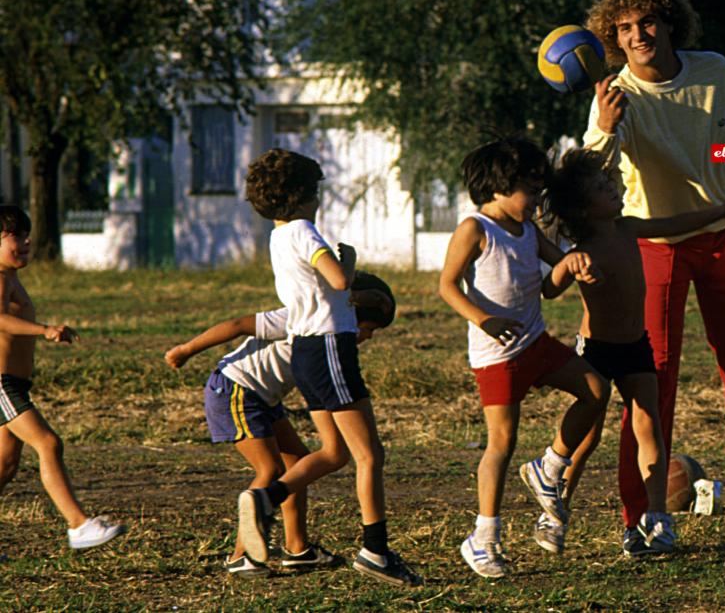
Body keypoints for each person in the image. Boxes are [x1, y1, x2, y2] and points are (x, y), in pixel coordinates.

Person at [583, 0, 725, 537]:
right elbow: (590, 180)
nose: (638, 35)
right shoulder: (614, 95)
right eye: (625, 28)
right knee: (648, 382)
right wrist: (606, 128)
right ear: (613, 37)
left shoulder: (716, 72)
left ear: (671, 23)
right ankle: (640, 518)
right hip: (652, 249)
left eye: (647, 22)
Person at [541, 149, 725, 555]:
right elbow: (549, 289)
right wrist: (568, 267)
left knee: (650, 427)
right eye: (603, 189)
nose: (614, 188)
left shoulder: (627, 228)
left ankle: (657, 519)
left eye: (610, 183)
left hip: (635, 346)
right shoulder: (582, 249)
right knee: (586, 439)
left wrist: (721, 210)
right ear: (583, 209)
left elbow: (674, 224)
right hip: (597, 351)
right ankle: (555, 511)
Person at [236, 149, 421, 587]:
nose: (319, 199)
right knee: (369, 455)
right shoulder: (303, 230)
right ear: (301, 195)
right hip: (329, 349)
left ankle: (266, 500)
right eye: (315, 191)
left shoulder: (278, 236)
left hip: (304, 350)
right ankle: (375, 551)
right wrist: (350, 263)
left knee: (335, 452)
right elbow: (338, 280)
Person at [438, 138, 610, 578]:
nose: (536, 201)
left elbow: (552, 284)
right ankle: (483, 538)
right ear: (498, 187)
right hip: (497, 354)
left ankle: (549, 466)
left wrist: (574, 265)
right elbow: (447, 287)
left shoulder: (529, 231)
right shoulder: (474, 229)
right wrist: (484, 320)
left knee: (595, 390)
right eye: (530, 192)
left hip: (535, 340)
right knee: (501, 443)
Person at [163, 272, 395, 576]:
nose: (368, 336)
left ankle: (297, 549)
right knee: (270, 470)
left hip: (264, 398)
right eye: (369, 328)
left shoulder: (334, 339)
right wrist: (186, 350)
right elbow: (237, 325)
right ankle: (240, 556)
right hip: (236, 388)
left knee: (297, 462)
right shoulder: (300, 317)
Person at [0, 205, 126, 550]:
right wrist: (43, 330)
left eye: (27, 234)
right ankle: (78, 524)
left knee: (6, 464)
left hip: (14, 383)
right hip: (1, 384)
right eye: (15, 236)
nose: (26, 241)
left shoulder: (11, 277)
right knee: (48, 443)